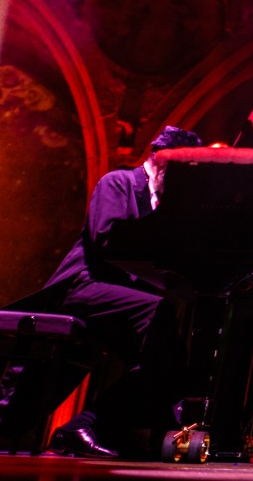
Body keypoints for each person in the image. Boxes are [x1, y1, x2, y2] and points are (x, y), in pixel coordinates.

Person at [32, 125, 204, 458]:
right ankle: (153, 421)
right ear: (161, 158)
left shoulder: (163, 203)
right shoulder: (117, 182)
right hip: (82, 285)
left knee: (166, 360)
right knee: (159, 314)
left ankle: (85, 426)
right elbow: (105, 239)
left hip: (118, 296)